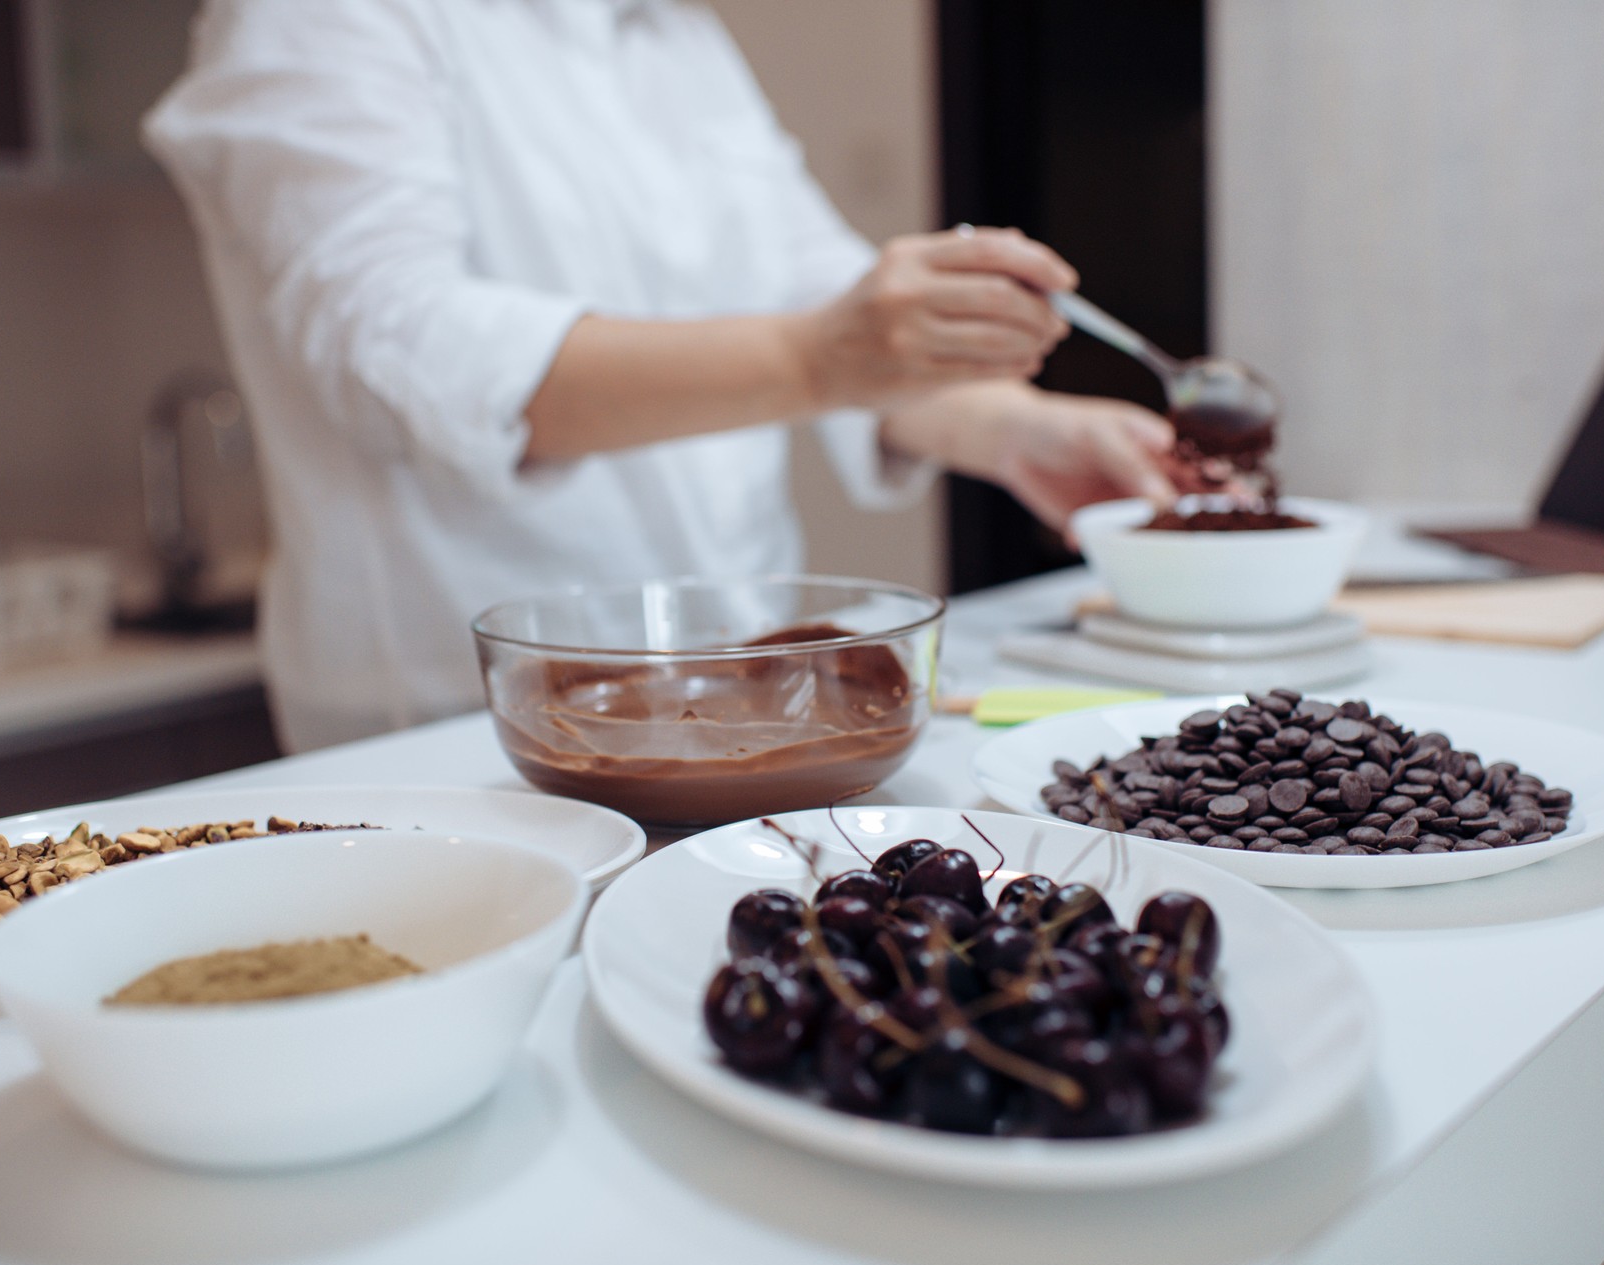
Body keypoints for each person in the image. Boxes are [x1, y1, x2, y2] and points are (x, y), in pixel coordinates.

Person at [146, 0, 1187, 751]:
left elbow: (815, 286)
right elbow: (404, 352)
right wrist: (815, 356)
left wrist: (1018, 430)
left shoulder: (679, 38)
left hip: (741, 689)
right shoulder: (318, 21)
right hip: (457, 723)